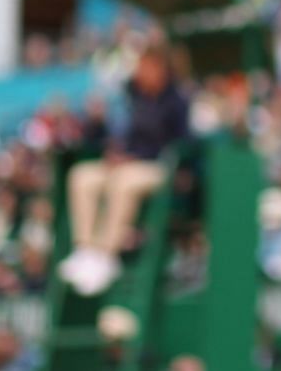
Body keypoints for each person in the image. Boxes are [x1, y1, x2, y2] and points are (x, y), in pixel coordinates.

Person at [61, 44, 190, 295]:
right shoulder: (130, 96)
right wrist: (100, 131)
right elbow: (114, 136)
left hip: (157, 168)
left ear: (161, 69)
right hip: (124, 164)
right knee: (82, 176)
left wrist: (134, 157)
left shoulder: (177, 101)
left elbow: (180, 144)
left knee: (125, 181)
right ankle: (86, 250)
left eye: (146, 66)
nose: (140, 71)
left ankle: (107, 256)